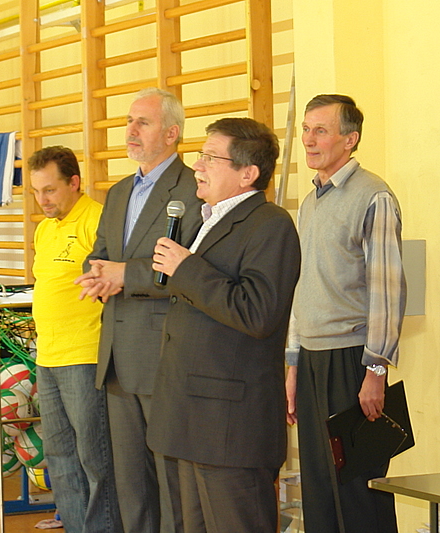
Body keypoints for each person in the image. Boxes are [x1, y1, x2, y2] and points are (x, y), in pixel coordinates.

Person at [146, 117, 301, 533]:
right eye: (201, 156)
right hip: (190, 417)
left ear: (247, 173)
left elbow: (258, 312)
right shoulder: (207, 219)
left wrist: (186, 268)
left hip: (231, 427)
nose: (197, 166)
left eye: (210, 158)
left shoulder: (271, 224)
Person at [75, 88, 202, 533]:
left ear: (171, 133)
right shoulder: (118, 192)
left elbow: (190, 267)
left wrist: (125, 275)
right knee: (131, 486)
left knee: (171, 485)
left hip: (163, 355)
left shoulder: (192, 190)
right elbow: (101, 253)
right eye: (129, 121)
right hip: (117, 358)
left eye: (142, 122)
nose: (130, 130)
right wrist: (96, 274)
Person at [285, 94, 407, 533]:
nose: (308, 139)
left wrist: (376, 368)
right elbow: (301, 287)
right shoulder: (309, 202)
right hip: (311, 361)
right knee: (319, 490)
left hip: (353, 360)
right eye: (305, 129)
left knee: (358, 492)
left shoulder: (374, 196)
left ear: (350, 139)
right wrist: (293, 363)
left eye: (320, 130)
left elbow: (387, 289)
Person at [29, 146, 122, 533]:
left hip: (84, 355)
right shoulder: (44, 229)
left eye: (49, 190)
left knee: (94, 458)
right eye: (36, 191)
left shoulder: (97, 220)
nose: (42, 200)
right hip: (48, 357)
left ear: (74, 183)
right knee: (60, 456)